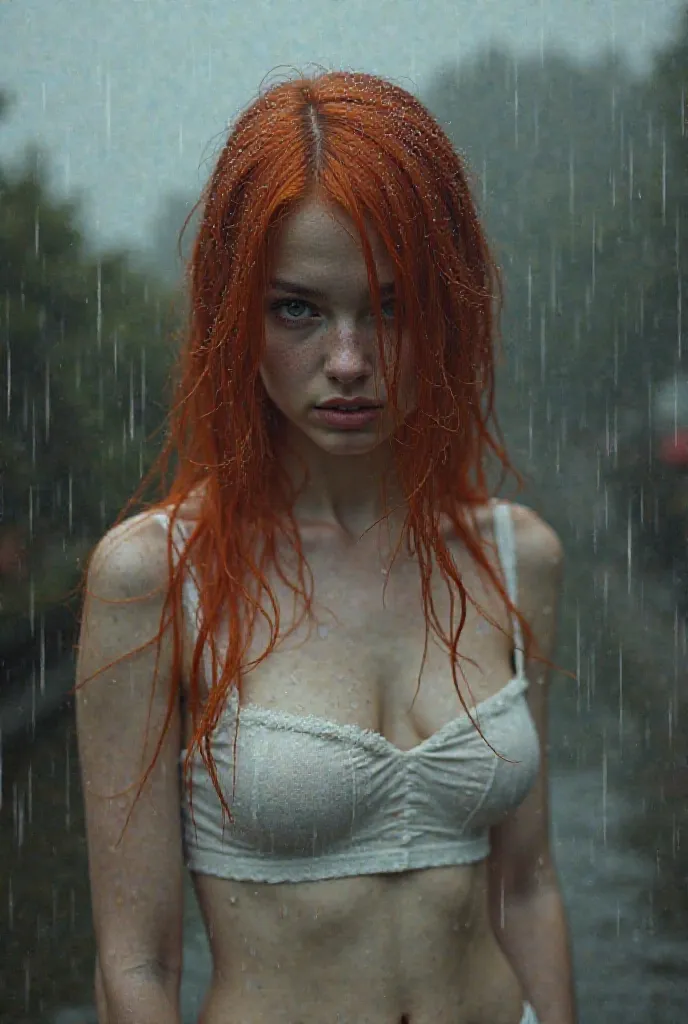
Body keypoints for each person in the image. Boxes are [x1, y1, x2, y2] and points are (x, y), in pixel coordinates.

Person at [75, 69, 576, 1024]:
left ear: (449, 310)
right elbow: (136, 962)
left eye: (389, 306)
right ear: (237, 317)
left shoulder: (516, 559)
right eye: (299, 309)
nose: (348, 360)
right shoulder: (156, 577)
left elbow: (527, 885)